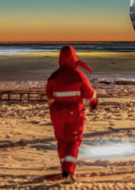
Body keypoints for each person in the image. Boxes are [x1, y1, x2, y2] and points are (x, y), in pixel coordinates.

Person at [46, 46, 98, 184]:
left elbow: (50, 98)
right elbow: (90, 93)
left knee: (62, 141)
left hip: (57, 114)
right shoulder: (78, 75)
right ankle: (68, 171)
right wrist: (94, 103)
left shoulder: (54, 76)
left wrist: (56, 109)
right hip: (75, 113)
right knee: (73, 141)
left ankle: (64, 167)